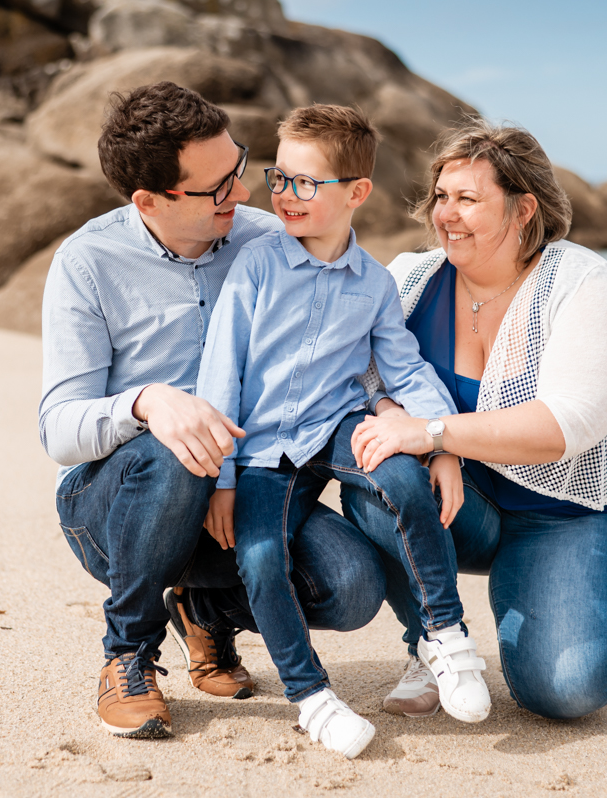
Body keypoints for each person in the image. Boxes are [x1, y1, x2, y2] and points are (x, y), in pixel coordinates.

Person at [38, 82, 386, 740]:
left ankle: (206, 608)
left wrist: (400, 407)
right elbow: (59, 431)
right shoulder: (87, 263)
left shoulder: (267, 240)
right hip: (117, 507)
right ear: (151, 200)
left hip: (243, 490)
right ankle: (128, 655)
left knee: (352, 585)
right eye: (218, 188)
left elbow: (349, 321)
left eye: (239, 169)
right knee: (180, 441)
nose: (246, 195)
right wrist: (148, 401)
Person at [196, 105, 492, 759]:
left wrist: (441, 445)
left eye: (306, 182)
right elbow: (219, 374)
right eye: (280, 177)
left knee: (401, 479)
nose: (285, 195)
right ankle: (310, 695)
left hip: (335, 426)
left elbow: (404, 369)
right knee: (261, 559)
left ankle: (446, 633)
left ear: (357, 192)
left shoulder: (374, 283)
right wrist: (220, 477)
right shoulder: (255, 267)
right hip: (262, 450)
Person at [346, 119, 607, 721]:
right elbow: (361, 379)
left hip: (565, 515)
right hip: (461, 505)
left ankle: (573, 590)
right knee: (377, 479)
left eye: (468, 199)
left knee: (568, 691)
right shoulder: (410, 278)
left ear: (523, 209)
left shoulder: (585, 284)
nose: (446, 214)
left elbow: (566, 425)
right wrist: (426, 443)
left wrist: (435, 433)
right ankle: (435, 643)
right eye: (442, 196)